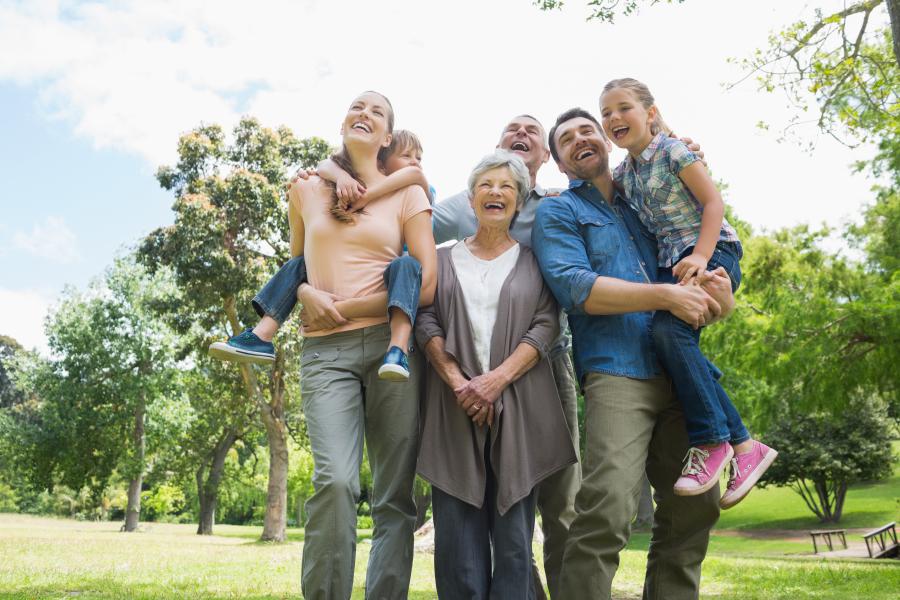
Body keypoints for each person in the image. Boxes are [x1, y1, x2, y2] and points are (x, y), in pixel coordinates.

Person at [533, 107, 736, 599]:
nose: (581, 139)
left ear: (606, 142)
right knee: (607, 507)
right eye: (566, 139)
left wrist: (716, 300)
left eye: (588, 131)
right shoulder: (559, 211)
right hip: (616, 371)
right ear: (560, 163)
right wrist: (665, 296)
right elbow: (576, 288)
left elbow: (698, 256)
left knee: (697, 503)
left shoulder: (650, 196)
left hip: (681, 369)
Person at [287, 91, 437, 600]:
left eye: (377, 111)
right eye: (357, 105)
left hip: (390, 348)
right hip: (325, 352)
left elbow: (427, 284)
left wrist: (347, 307)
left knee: (394, 496)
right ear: (344, 122)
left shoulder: (407, 195)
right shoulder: (306, 188)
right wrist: (306, 292)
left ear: (387, 136)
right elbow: (294, 269)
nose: (364, 113)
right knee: (335, 484)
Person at [599, 78, 776, 506]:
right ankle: (745, 447)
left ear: (651, 113)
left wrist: (701, 255)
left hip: (713, 253)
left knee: (667, 335)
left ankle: (714, 440)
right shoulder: (626, 172)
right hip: (674, 266)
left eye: (624, 108)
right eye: (606, 112)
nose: (614, 118)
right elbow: (600, 189)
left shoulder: (674, 151)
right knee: (671, 341)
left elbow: (713, 204)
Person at [415, 150, 576, 599]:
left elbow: (546, 324)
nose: (496, 192)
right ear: (470, 200)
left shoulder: (534, 261)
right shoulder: (443, 259)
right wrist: (458, 382)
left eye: (507, 187)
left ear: (519, 203)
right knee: (456, 550)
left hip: (520, 409)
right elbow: (426, 320)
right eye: (486, 185)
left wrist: (495, 381)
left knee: (513, 548)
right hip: (453, 409)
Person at [208, 129, 434, 381]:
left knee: (405, 265)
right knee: (299, 263)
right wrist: (341, 177)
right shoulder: (338, 187)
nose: (415, 161)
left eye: (419, 157)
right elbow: (326, 163)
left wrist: (367, 194)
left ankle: (397, 348)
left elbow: (414, 175)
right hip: (354, 297)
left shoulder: (415, 189)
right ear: (382, 159)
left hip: (399, 283)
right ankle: (263, 334)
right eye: (406, 155)